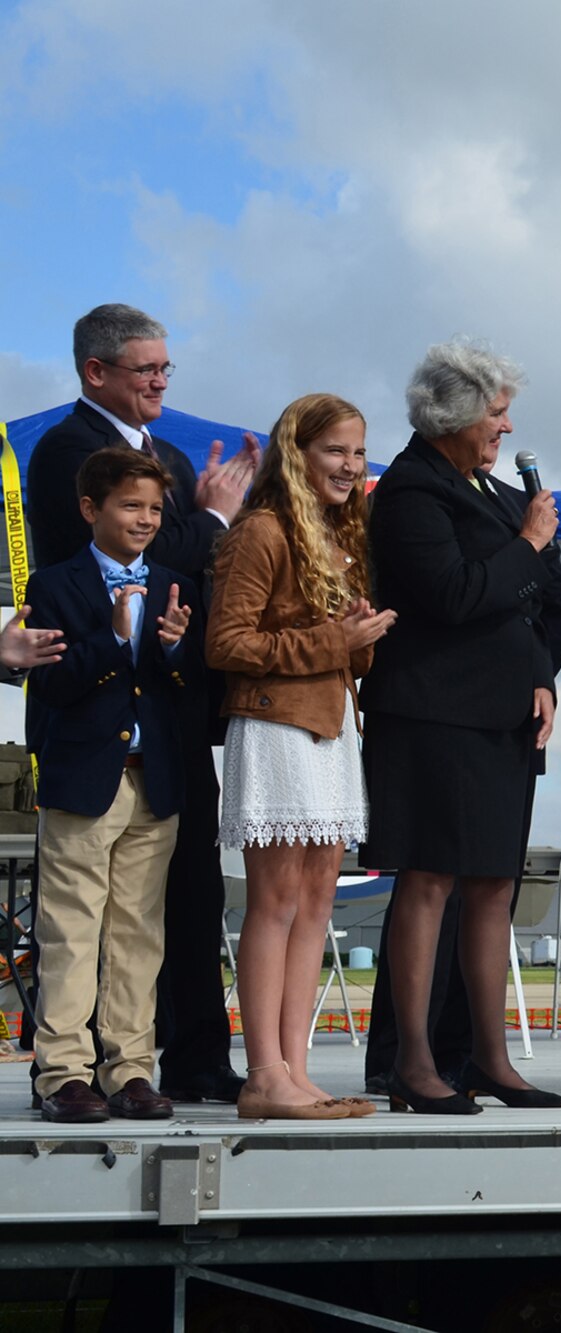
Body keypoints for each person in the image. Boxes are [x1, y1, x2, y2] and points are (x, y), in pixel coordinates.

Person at [24, 302, 260, 1106]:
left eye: (166, 367)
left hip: (162, 739)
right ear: (96, 372)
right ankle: (66, 1068)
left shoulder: (160, 457)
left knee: (158, 916)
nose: (161, 379)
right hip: (91, 741)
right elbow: (159, 554)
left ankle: (148, 1062)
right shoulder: (67, 452)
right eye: (145, 368)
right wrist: (216, 519)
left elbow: (176, 571)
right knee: (75, 923)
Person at [360, 340, 561, 1114]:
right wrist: (527, 543)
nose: (507, 427)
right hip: (431, 716)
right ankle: (414, 1062)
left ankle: (490, 1056)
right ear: (453, 415)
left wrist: (542, 675)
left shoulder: (485, 489)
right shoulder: (414, 491)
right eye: (496, 411)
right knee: (428, 882)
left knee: (493, 884)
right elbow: (455, 595)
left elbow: (548, 603)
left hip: (502, 717)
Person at [208, 394, 396, 1120]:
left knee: (317, 901)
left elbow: (345, 655)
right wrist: (334, 642)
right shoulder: (261, 531)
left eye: (357, 451)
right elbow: (226, 643)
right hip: (277, 728)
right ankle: (263, 1073)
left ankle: (297, 1070)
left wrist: (359, 636)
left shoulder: (335, 533)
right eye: (335, 451)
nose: (350, 465)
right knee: (278, 900)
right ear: (298, 451)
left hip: (329, 727)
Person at [24, 448, 199, 1122]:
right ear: (90, 508)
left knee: (137, 932)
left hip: (152, 780)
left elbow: (188, 687)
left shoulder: (174, 583)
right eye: (131, 505)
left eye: (155, 508)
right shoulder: (54, 582)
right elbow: (54, 679)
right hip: (81, 778)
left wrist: (178, 647)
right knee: (70, 929)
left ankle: (129, 1067)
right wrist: (114, 636)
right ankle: (62, 1072)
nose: (145, 518)